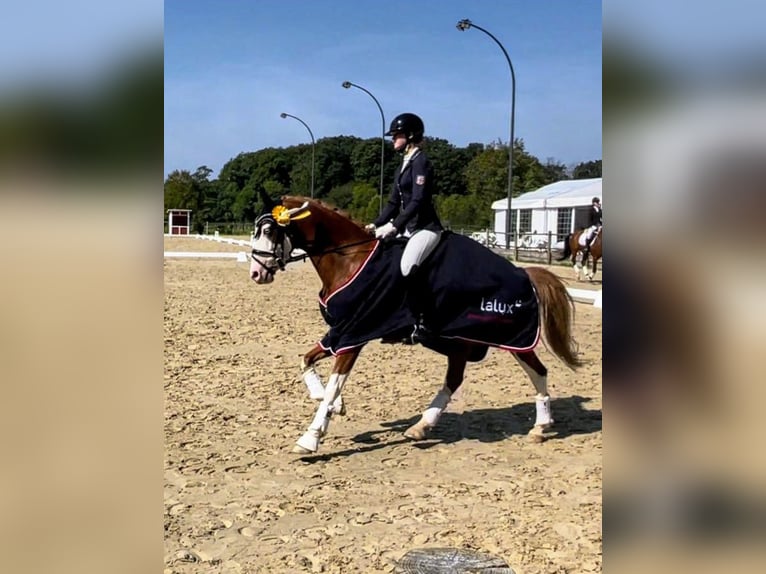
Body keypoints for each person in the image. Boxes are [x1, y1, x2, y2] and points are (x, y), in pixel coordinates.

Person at [365, 112, 443, 341]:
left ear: (410, 136)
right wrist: (375, 223)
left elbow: (418, 201)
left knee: (407, 267)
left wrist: (395, 227)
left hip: (426, 228)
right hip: (408, 228)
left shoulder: (421, 162)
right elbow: (392, 203)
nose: (393, 140)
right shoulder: (404, 165)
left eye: (396, 135)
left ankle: (419, 323)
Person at [581, 196, 603, 266]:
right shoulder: (591, 210)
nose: (598, 203)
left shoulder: (600, 210)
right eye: (597, 202)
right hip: (593, 225)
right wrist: (592, 226)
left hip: (599, 225)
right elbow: (589, 219)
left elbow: (601, 218)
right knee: (589, 235)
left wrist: (601, 224)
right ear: (594, 203)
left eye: (598, 202)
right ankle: (586, 247)